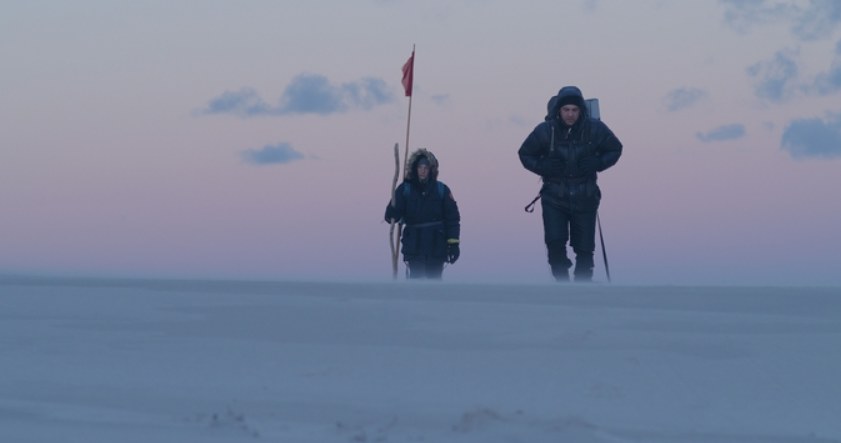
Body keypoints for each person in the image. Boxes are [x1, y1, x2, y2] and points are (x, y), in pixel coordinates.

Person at [518, 86, 622, 282]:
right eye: (566, 110)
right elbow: (524, 154)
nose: (570, 114)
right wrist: (544, 167)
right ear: (558, 110)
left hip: (586, 197)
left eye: (574, 110)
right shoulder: (545, 130)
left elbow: (615, 148)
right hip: (553, 197)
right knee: (555, 243)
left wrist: (598, 163)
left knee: (584, 249)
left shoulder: (595, 129)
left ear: (581, 110)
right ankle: (562, 286)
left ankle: (582, 288)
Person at [385, 149, 461, 279]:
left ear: (431, 169)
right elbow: (391, 216)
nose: (423, 170)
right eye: (420, 167)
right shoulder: (405, 189)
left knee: (434, 286)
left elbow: (452, 219)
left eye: (426, 167)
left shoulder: (441, 190)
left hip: (436, 247)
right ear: (415, 169)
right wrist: (392, 212)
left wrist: (453, 244)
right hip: (414, 247)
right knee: (416, 287)